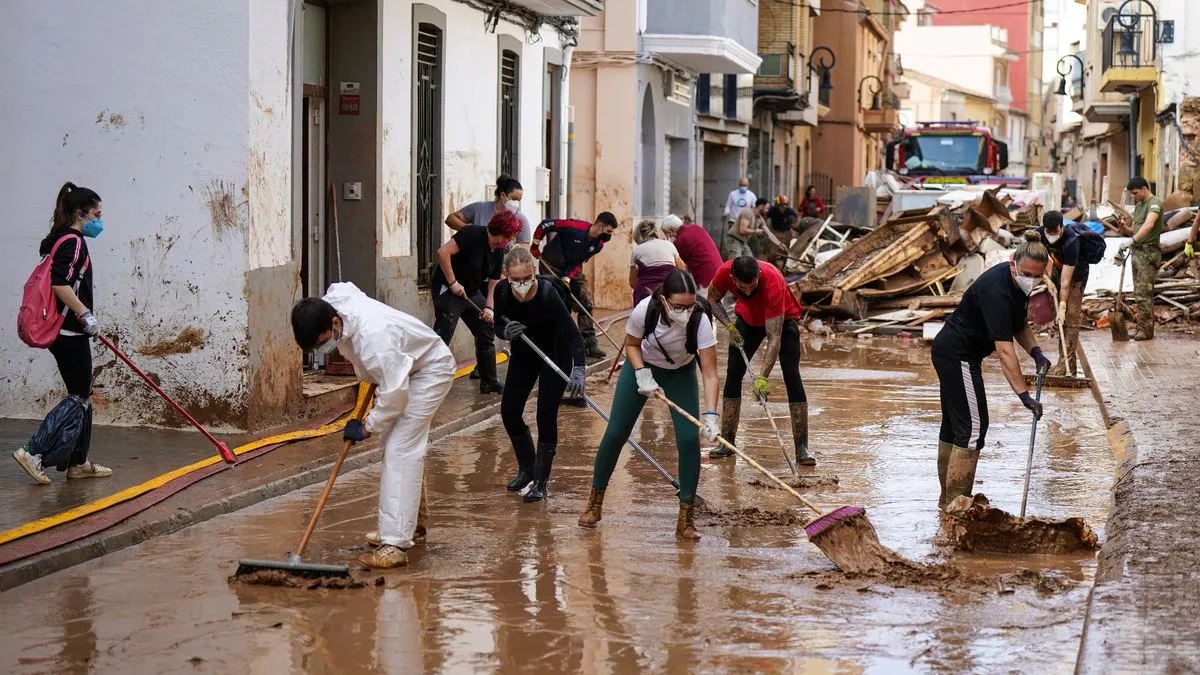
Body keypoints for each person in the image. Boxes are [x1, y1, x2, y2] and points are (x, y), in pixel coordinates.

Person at [291, 283, 456, 568]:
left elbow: (394, 395)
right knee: (395, 445)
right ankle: (409, 522)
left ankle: (394, 544)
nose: (325, 349)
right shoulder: (336, 307)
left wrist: (367, 425)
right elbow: (344, 288)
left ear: (334, 321)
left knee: (401, 448)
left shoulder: (373, 339)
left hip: (429, 371)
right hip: (404, 370)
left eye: (323, 342)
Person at [578, 270, 720, 540]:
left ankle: (685, 520)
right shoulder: (645, 310)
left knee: (689, 440)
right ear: (664, 300)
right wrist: (642, 372)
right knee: (616, 432)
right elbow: (631, 344)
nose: (684, 312)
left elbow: (710, 372)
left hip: (681, 372)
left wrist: (711, 414)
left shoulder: (701, 318)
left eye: (689, 306)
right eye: (678, 306)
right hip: (641, 368)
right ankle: (594, 504)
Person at [931, 232, 1052, 508]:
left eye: (1037, 276)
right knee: (973, 430)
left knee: (955, 427)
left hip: (954, 353)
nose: (1031, 280)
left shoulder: (1019, 288)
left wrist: (1036, 353)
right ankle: (957, 507)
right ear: (1013, 263)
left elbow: (1019, 325)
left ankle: (947, 503)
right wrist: (1024, 396)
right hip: (958, 354)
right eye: (1026, 274)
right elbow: (1004, 350)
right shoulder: (997, 290)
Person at [13, 183, 110, 485]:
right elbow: (59, 284)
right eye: (96, 214)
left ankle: (77, 462)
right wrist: (85, 314)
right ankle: (34, 451)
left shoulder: (56, 239)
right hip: (68, 330)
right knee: (78, 396)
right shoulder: (74, 242)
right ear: (80, 213)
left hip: (66, 330)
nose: (100, 220)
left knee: (83, 395)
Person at [492, 247, 586, 502]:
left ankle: (541, 482)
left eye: (526, 279)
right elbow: (498, 324)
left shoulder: (547, 295)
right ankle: (527, 469)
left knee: (545, 414)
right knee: (509, 411)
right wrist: (506, 332)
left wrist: (578, 370)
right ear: (506, 276)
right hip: (525, 352)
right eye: (516, 280)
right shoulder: (502, 291)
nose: (521, 285)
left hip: (556, 354)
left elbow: (573, 335)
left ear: (533, 274)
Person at [707, 256, 814, 467]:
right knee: (733, 373)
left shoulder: (772, 280)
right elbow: (711, 299)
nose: (747, 292)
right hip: (747, 320)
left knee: (791, 374)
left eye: (752, 285)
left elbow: (774, 338)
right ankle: (727, 442)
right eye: (741, 287)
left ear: (759, 276)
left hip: (784, 320)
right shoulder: (723, 272)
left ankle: (802, 448)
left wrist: (762, 378)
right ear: (732, 278)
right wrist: (729, 326)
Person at [430, 210, 523, 394]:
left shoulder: (498, 249)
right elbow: (443, 253)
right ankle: (425, 381)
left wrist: (489, 307)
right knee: (444, 333)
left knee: (486, 329)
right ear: (502, 232)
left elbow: (494, 281)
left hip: (471, 292)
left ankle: (488, 380)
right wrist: (453, 282)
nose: (511, 239)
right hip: (448, 289)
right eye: (511, 235)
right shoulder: (472, 234)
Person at [530, 212, 619, 359]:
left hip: (571, 268)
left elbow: (579, 262)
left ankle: (589, 344)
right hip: (550, 263)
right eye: (609, 231)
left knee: (586, 301)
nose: (610, 235)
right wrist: (535, 244)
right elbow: (546, 224)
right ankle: (557, 344)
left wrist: (567, 277)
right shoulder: (575, 226)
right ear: (600, 225)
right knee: (557, 302)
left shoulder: (598, 245)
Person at [1037, 211, 1089, 376]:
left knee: (1070, 316)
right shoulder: (1039, 235)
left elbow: (1066, 282)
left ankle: (1067, 364)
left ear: (1061, 227)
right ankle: (1065, 363)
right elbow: (1035, 259)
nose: (1051, 235)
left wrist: (1062, 305)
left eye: (1055, 232)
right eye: (1048, 231)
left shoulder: (1071, 241)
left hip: (1077, 274)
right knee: (1060, 321)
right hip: (1056, 271)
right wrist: (1046, 279)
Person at [1117, 176, 1163, 340]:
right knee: (1139, 293)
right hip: (1137, 252)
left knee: (1145, 294)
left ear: (1144, 189)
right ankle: (1141, 328)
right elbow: (1137, 231)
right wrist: (1126, 230)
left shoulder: (1154, 204)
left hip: (1148, 253)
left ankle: (1146, 330)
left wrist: (1133, 240)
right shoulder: (1139, 206)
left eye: (1135, 193)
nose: (1134, 197)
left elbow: (1149, 225)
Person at [445, 175, 534, 245]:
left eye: (518, 200)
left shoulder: (520, 219)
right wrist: (470, 230)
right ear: (503, 195)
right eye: (514, 199)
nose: (516, 203)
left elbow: (524, 250)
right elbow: (450, 219)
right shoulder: (479, 209)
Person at [630, 219, 686, 305]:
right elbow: (682, 268)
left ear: (638, 235)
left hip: (645, 294)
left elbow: (632, 282)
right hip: (669, 291)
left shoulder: (637, 250)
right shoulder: (669, 245)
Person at [664, 213, 722, 291]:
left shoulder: (680, 241)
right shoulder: (696, 228)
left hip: (706, 280)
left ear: (672, 230)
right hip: (719, 273)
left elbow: (676, 266)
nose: (668, 237)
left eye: (667, 234)